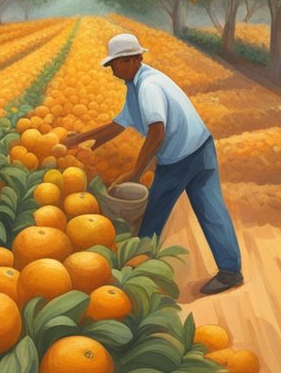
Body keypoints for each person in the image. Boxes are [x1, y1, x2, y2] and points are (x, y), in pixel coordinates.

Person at [68, 32, 244, 295]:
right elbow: (118, 125)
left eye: (113, 64)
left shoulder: (149, 87)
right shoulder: (137, 84)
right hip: (202, 147)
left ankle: (137, 276)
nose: (111, 70)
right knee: (211, 209)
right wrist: (81, 140)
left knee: (153, 216)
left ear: (131, 60)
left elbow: (157, 131)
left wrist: (136, 172)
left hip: (180, 159)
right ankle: (230, 271)